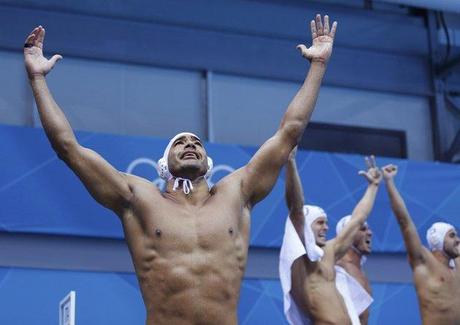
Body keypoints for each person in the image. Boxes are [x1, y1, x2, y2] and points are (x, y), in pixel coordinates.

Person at [23, 14, 337, 325]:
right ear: (164, 165)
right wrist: (37, 79)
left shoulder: (237, 192)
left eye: (197, 142)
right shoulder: (138, 199)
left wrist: (318, 66)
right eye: (180, 143)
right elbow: (67, 148)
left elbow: (290, 131)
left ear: (208, 162)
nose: (190, 144)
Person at [280, 151, 380, 325]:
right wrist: (291, 163)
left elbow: (357, 219)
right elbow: (296, 207)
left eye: (326, 223)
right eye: (320, 223)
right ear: (305, 225)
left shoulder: (329, 252)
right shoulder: (301, 261)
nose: (326, 228)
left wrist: (373, 187)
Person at [382, 163, 460, 325]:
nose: (458, 240)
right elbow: (404, 222)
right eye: (452, 236)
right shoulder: (424, 263)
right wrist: (389, 182)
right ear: (438, 241)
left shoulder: (457, 264)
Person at [335, 215, 373, 324]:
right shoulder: (338, 268)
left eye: (368, 229)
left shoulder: (361, 272)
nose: (370, 233)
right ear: (348, 236)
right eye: (363, 229)